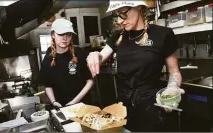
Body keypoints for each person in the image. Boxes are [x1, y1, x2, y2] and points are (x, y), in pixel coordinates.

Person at [86, 1, 185, 132]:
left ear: (138, 7)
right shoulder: (117, 36)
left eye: (123, 13)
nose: (120, 21)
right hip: (122, 108)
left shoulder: (162, 34)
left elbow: (174, 71)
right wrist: (93, 55)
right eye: (116, 15)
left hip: (151, 107)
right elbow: (100, 57)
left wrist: (172, 87)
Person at [39, 18, 94, 108]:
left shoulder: (79, 53)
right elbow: (48, 85)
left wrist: (74, 102)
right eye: (61, 34)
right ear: (53, 35)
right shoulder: (48, 59)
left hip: (82, 104)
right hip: (60, 106)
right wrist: (53, 102)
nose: (65, 38)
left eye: (68, 35)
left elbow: (90, 81)